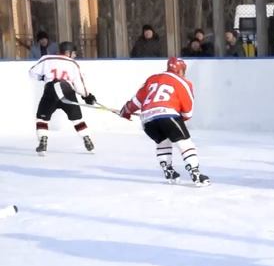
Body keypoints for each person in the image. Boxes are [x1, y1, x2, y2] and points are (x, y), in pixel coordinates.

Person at [119, 57, 210, 186]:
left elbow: (136, 101)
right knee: (185, 143)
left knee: (163, 141)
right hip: (168, 115)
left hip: (146, 119)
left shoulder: (152, 78)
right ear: (180, 70)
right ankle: (195, 173)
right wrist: (179, 118)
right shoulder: (184, 82)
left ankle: (169, 171)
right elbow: (188, 111)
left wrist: (126, 111)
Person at [28, 41, 97, 156]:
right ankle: (87, 139)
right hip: (67, 91)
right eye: (73, 53)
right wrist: (87, 96)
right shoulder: (73, 64)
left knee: (42, 119)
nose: (75, 56)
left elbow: (32, 72)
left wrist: (42, 77)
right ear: (67, 52)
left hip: (51, 91)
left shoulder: (46, 59)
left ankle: (43, 142)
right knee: (77, 119)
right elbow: (79, 84)